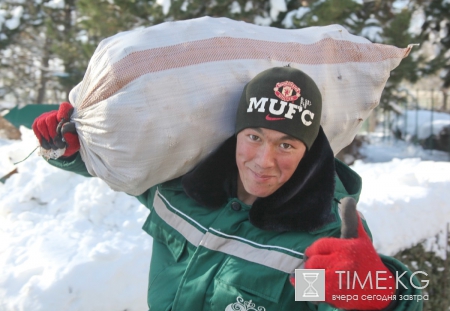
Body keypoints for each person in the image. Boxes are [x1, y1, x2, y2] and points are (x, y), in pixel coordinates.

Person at [32, 67, 423, 310]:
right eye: (254, 136)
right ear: (236, 133)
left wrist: (380, 295)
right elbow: (127, 169)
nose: (263, 160)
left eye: (286, 144)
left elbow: (329, 299)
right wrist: (69, 149)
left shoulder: (319, 236)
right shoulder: (184, 189)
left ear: (308, 152)